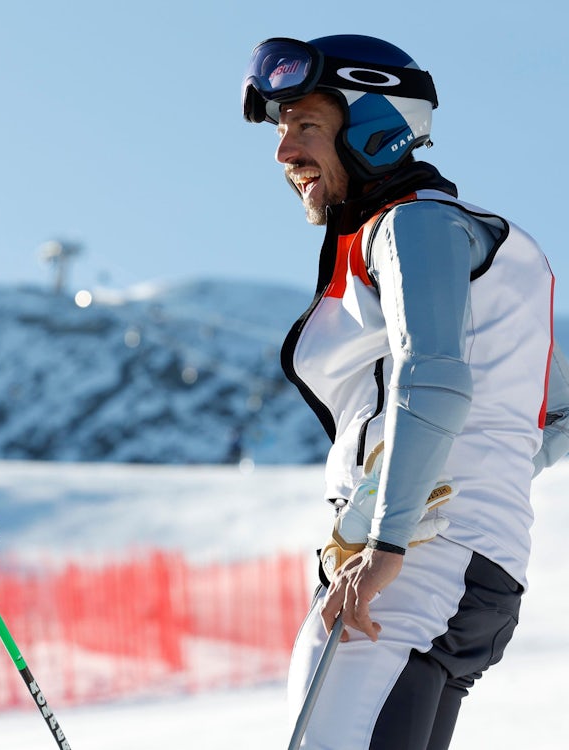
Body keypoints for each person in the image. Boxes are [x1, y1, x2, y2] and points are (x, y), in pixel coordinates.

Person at [242, 35, 569, 748]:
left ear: (372, 128)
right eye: (281, 129)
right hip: (467, 566)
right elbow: (556, 409)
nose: (284, 152)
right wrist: (474, 472)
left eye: (307, 125)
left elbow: (435, 374)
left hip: (415, 564)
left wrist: (390, 531)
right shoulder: (490, 246)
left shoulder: (413, 226)